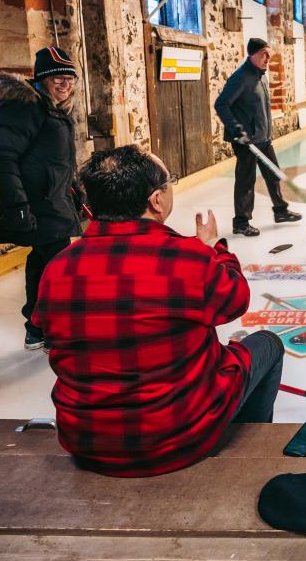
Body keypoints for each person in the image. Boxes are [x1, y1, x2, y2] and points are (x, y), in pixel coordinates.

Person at [32, 145, 285, 477]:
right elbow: (236, 299)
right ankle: (251, 447)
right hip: (178, 441)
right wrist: (213, 249)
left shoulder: (58, 269)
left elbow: (51, 329)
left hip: (87, 442)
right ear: (156, 200)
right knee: (268, 344)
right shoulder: (188, 260)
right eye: (169, 182)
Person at [0, 45, 85, 351]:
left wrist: (72, 189)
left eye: (70, 78)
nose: (65, 83)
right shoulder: (25, 107)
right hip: (38, 204)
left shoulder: (49, 107)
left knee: (42, 264)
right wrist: (17, 205)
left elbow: (50, 160)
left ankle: (37, 327)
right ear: (41, 79)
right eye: (58, 78)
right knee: (56, 267)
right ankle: (52, 329)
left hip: (53, 200)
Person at [214, 37, 302, 236]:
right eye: (264, 54)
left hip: (263, 138)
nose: (268, 58)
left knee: (273, 174)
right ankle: (241, 222)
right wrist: (236, 129)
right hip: (246, 140)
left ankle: (281, 211)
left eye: (269, 54)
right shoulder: (241, 77)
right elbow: (221, 104)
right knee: (246, 181)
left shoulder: (261, 75)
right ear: (252, 54)